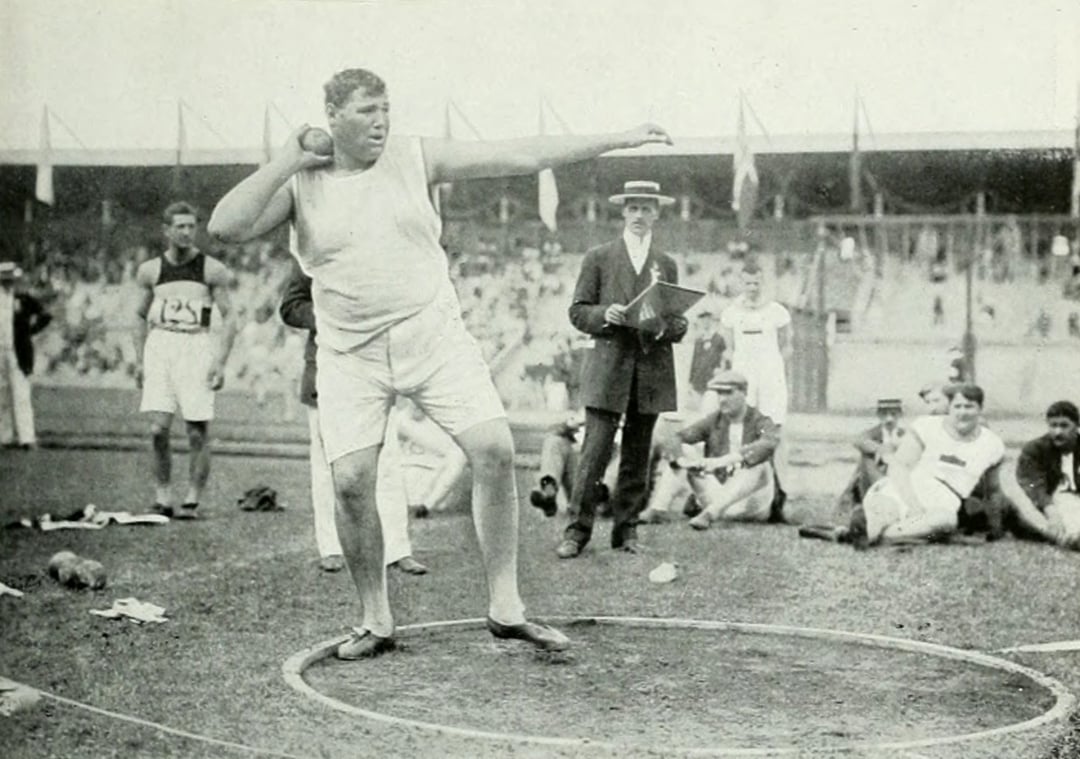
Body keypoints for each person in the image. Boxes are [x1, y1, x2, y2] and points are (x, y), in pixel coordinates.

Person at [208, 66, 672, 658]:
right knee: (351, 484)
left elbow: (521, 155)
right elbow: (224, 227)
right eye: (365, 111)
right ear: (331, 118)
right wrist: (288, 158)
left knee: (495, 449)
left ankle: (506, 608)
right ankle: (374, 617)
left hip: (433, 334)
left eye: (385, 108)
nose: (381, 120)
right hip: (350, 352)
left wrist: (616, 138)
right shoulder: (301, 182)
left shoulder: (414, 156)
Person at [555, 180, 688, 559]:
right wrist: (605, 314)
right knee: (594, 452)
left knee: (637, 453)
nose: (640, 215)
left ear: (657, 213)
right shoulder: (599, 257)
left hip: (651, 368)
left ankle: (625, 531)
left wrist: (671, 325)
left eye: (647, 208)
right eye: (634, 208)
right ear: (623, 212)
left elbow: (675, 319)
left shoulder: (666, 264)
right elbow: (578, 311)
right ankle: (577, 532)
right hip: (609, 366)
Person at [279, 263, 428, 574]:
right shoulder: (312, 250)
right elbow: (291, 306)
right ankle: (331, 547)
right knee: (327, 464)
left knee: (386, 462)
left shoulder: (380, 246)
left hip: (375, 369)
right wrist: (331, 317)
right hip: (326, 367)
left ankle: (397, 548)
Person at [133, 202, 238, 519]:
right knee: (157, 429)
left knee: (196, 429)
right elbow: (139, 315)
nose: (186, 232)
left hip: (196, 345)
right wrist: (140, 361)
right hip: (161, 343)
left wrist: (220, 361)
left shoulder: (211, 269)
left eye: (191, 226)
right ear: (166, 230)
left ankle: (192, 498)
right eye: (180, 226)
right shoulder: (150, 270)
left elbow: (230, 316)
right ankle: (163, 495)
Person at [847, 384, 1006, 548]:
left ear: (980, 408)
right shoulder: (928, 426)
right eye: (957, 406)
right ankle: (872, 527)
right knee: (887, 509)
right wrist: (914, 506)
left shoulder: (993, 444)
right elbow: (899, 468)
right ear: (949, 408)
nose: (962, 412)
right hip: (908, 486)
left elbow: (992, 490)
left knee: (945, 521)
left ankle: (872, 536)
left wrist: (996, 529)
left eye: (969, 407)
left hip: (945, 500)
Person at [638, 370, 779, 528]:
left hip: (752, 504)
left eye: (728, 393)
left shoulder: (760, 420)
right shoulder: (714, 420)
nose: (722, 400)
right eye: (719, 394)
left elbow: (768, 444)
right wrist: (683, 460)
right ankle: (658, 509)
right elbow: (676, 438)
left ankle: (710, 514)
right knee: (687, 452)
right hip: (718, 495)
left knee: (760, 465)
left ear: (744, 393)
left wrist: (720, 462)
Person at [719, 258, 792, 521]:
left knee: (774, 431)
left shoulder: (776, 311)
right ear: (741, 282)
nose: (752, 287)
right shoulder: (731, 312)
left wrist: (773, 370)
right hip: (743, 376)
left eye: (756, 282)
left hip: (770, 376)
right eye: (747, 282)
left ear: (763, 282)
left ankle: (779, 496)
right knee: (743, 431)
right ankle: (742, 494)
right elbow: (728, 349)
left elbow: (786, 346)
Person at [1009, 400, 1080, 549]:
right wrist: (1051, 512)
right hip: (1050, 503)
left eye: (1064, 425)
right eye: (1053, 425)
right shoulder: (1035, 449)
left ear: (1076, 426)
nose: (1058, 432)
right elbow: (1033, 485)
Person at [0, 262, 51, 449]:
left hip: (18, 352)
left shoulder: (22, 298)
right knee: (1, 395)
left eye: (8, 279)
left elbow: (45, 315)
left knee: (21, 393)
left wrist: (30, 331)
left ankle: (27, 437)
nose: (6, 283)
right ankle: (4, 437)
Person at [528, 413, 618, 518]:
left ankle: (600, 493)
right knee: (555, 441)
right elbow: (551, 432)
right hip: (582, 479)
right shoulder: (594, 407)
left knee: (626, 454)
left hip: (610, 486)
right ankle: (548, 488)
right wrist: (567, 426)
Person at [835, 398, 905, 518]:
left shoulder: (904, 434)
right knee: (866, 457)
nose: (889, 419)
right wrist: (881, 450)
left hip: (897, 475)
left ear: (900, 415)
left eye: (893, 414)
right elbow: (858, 441)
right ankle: (878, 496)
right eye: (884, 414)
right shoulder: (873, 433)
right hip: (873, 477)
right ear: (878, 415)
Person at [687, 310, 725, 409]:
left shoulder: (719, 339)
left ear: (712, 321)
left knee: (711, 408)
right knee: (700, 409)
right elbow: (694, 361)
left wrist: (721, 371)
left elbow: (725, 358)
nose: (705, 322)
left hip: (712, 379)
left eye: (707, 320)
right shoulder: (698, 340)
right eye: (702, 320)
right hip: (698, 380)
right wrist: (690, 380)